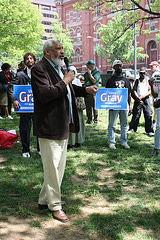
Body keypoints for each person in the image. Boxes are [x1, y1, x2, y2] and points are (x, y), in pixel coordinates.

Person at [31, 39, 98, 223]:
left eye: (62, 49)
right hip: (49, 125)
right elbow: (45, 94)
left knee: (57, 167)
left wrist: (85, 90)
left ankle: (44, 200)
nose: (62, 52)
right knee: (52, 167)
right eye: (57, 49)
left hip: (63, 124)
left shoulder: (59, 67)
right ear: (47, 52)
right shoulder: (39, 69)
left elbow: (67, 89)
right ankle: (55, 206)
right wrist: (66, 80)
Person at [8, 53, 40, 158]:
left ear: (34, 60)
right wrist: (14, 100)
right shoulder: (20, 74)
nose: (29, 60)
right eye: (27, 59)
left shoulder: (40, 73)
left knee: (40, 128)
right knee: (24, 129)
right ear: (24, 61)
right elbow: (10, 87)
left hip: (38, 106)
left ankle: (40, 149)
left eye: (31, 58)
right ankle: (25, 150)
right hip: (25, 106)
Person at [106, 60, 132, 149]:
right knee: (112, 124)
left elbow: (129, 94)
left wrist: (130, 106)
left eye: (120, 65)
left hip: (124, 105)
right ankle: (111, 142)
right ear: (113, 67)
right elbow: (107, 94)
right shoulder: (110, 80)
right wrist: (109, 106)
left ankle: (124, 141)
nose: (119, 67)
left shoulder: (126, 80)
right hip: (114, 105)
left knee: (124, 124)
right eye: (117, 66)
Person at [128, 67, 154, 136]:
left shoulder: (148, 80)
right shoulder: (137, 81)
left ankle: (150, 130)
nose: (142, 74)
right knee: (136, 114)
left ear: (146, 73)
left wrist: (142, 96)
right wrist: (138, 97)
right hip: (138, 99)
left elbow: (150, 91)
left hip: (146, 99)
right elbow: (134, 90)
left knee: (148, 114)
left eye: (143, 73)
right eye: (141, 73)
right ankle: (132, 128)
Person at [68, 66, 85, 148]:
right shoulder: (65, 81)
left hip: (76, 105)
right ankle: (69, 141)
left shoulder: (77, 81)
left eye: (73, 72)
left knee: (78, 122)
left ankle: (78, 140)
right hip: (68, 105)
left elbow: (80, 91)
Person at [80, 60, 100, 124]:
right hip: (87, 90)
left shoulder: (96, 73)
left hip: (93, 91)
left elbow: (94, 81)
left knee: (94, 106)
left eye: (88, 65)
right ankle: (89, 119)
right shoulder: (86, 73)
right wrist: (80, 77)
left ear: (91, 66)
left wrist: (90, 74)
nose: (87, 66)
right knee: (87, 106)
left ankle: (96, 120)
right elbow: (83, 77)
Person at [149, 67, 160, 156]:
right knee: (159, 126)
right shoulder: (157, 75)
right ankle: (156, 147)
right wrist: (151, 86)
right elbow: (155, 94)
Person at [149, 61, 160, 128]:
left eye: (152, 66)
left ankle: (154, 122)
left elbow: (155, 90)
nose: (151, 68)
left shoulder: (156, 74)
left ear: (156, 66)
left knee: (156, 109)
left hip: (157, 96)